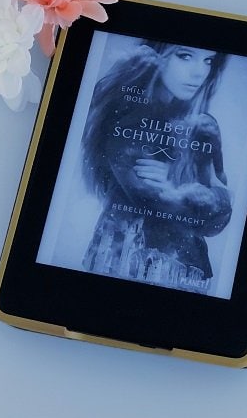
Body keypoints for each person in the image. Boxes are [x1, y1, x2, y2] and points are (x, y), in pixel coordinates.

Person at [79, 39, 233, 294]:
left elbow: (217, 216)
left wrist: (185, 191)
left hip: (189, 270)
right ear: (158, 54)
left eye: (208, 60)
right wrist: (199, 196)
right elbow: (154, 198)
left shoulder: (204, 126)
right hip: (125, 258)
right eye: (185, 56)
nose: (199, 72)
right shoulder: (125, 115)